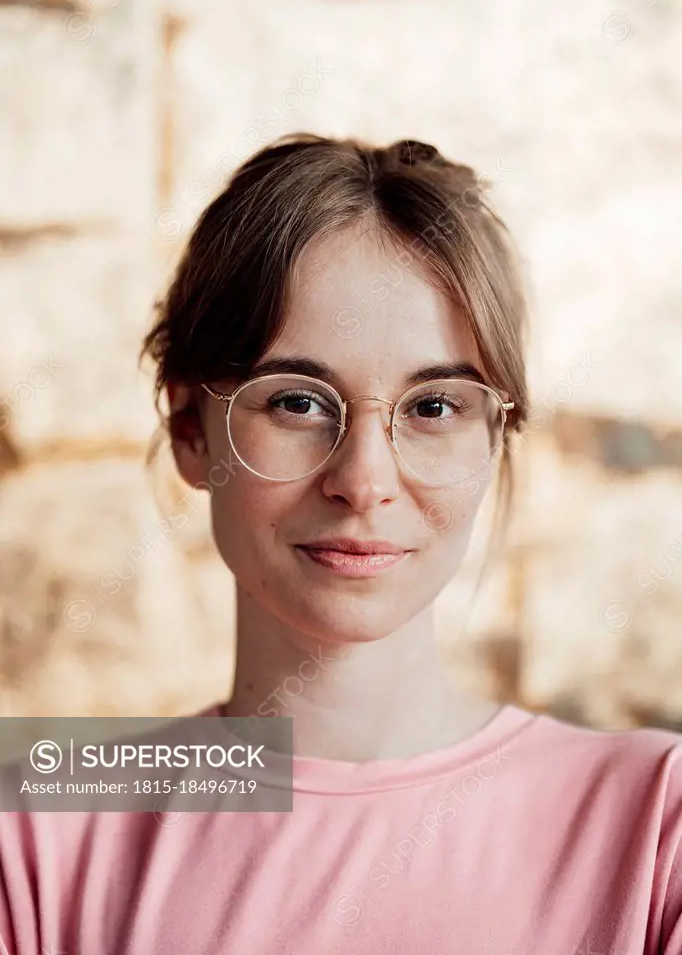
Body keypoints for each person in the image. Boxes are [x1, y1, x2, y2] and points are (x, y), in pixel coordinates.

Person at [1, 133, 680, 953]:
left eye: (433, 408)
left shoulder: (656, 828)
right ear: (189, 428)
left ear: (495, 438)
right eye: (295, 401)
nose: (363, 481)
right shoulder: (38, 828)